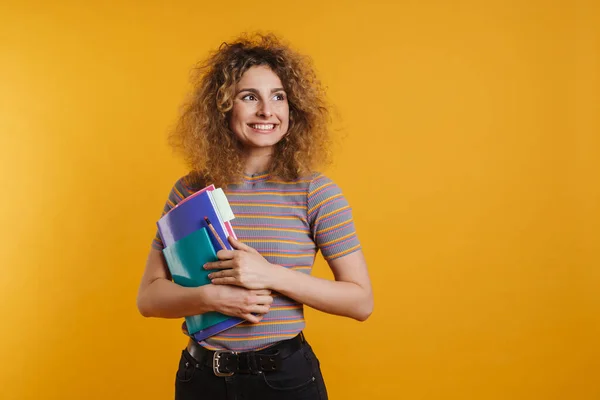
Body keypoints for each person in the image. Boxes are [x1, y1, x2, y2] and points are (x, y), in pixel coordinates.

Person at [137, 33, 373, 400]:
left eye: (278, 97)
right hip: (201, 380)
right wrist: (214, 298)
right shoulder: (190, 190)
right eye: (250, 97)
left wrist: (270, 275)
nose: (267, 111)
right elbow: (149, 298)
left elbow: (360, 302)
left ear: (294, 108)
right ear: (223, 107)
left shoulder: (316, 192)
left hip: (284, 381)